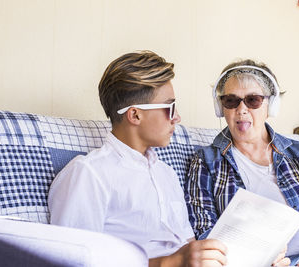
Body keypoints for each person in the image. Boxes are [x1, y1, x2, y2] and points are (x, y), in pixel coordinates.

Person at [48, 50, 229, 267]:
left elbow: (188, 246)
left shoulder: (166, 173)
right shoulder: (89, 174)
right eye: (170, 107)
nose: (177, 118)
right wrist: (170, 262)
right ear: (135, 115)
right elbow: (73, 261)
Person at [185, 59, 299, 267]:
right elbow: (203, 230)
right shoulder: (206, 162)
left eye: (253, 100)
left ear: (271, 105)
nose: (241, 109)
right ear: (221, 107)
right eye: (231, 101)